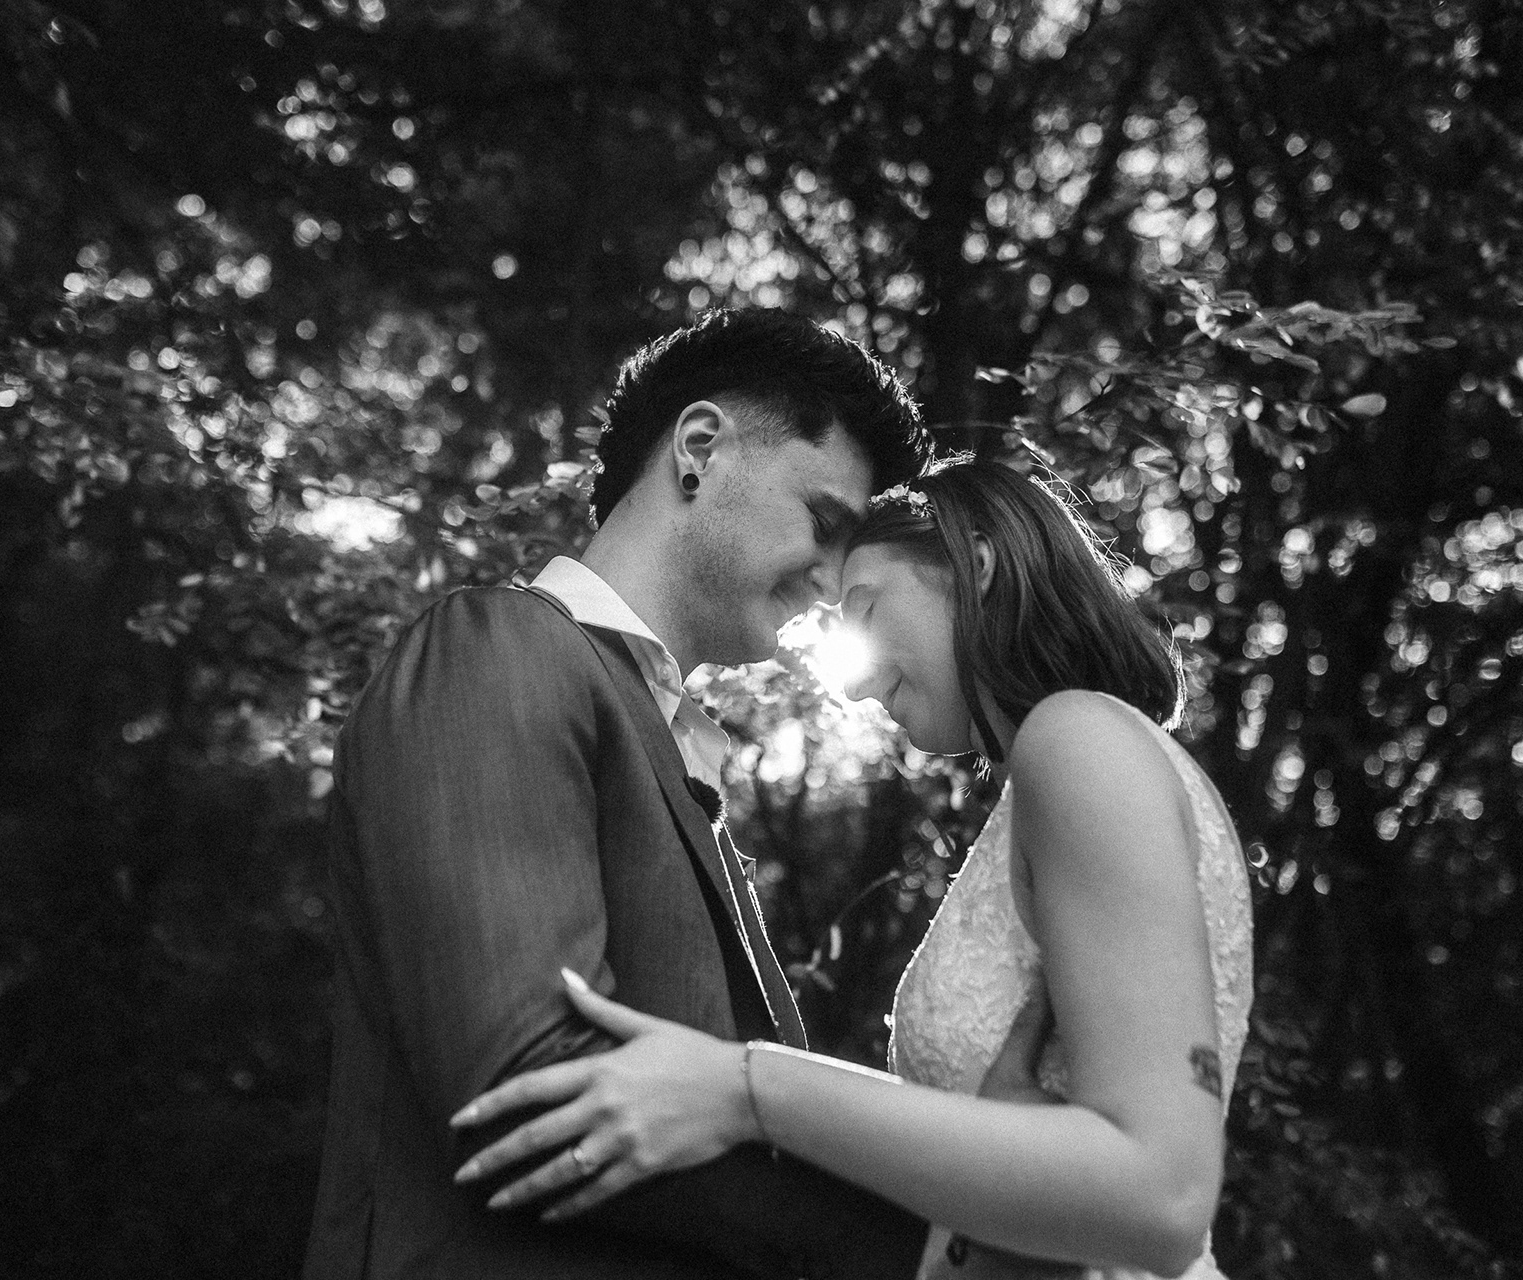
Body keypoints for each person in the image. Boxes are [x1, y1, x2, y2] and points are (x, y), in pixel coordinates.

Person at [450, 459, 1257, 1280]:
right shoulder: (1076, 768)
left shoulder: (1077, 738)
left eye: (867, 609)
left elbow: (1163, 1193)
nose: (860, 682)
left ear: (976, 563)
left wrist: (742, 1088)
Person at [301, 308, 937, 1279]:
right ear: (699, 449)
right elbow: (528, 1089)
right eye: (825, 523)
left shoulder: (680, 755)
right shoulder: (498, 649)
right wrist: (936, 1252)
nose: (829, 581)